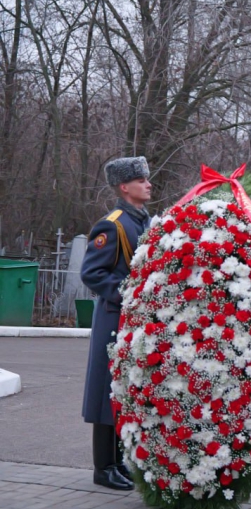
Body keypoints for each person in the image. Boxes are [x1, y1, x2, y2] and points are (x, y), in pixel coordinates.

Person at [81, 156, 152, 490]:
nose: (148, 184)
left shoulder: (142, 221)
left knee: (125, 389)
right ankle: (102, 466)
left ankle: (119, 462)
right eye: (141, 180)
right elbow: (92, 273)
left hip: (133, 318)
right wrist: (129, 293)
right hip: (114, 316)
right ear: (125, 187)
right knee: (105, 391)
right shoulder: (114, 224)